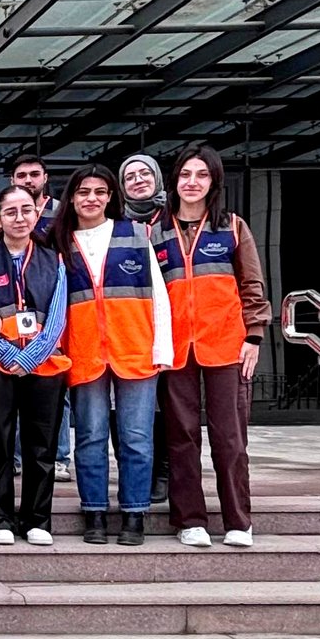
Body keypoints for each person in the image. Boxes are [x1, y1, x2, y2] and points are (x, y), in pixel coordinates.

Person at [154, 143, 269, 549]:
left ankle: (239, 520)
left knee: (230, 437)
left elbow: (252, 285)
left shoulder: (233, 227)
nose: (192, 182)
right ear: (175, 180)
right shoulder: (156, 231)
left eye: (201, 175)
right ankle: (190, 520)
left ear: (214, 181)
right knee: (181, 435)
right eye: (185, 174)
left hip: (226, 344)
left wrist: (254, 335)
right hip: (175, 349)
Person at [52, 165, 171, 547]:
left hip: (135, 348)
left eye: (100, 191)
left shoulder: (136, 235)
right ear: (71, 198)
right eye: (83, 191)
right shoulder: (60, 242)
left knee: (137, 437)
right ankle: (95, 513)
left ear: (110, 196)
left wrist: (162, 347)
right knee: (89, 436)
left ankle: (134, 514)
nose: (91, 198)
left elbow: (159, 297)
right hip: (84, 352)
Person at [0, 185, 70, 546]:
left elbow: (58, 316)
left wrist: (32, 356)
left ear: (37, 214)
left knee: (41, 445)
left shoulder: (53, 259)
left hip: (44, 364)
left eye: (26, 210)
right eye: (10, 211)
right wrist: (9, 355)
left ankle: (37, 519)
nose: (19, 218)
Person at [9, 155, 73, 479]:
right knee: (21, 382)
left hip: (55, 303)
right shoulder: (5, 210)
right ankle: (20, 456)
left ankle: (60, 455)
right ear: (12, 180)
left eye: (34, 174)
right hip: (19, 307)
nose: (28, 180)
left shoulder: (61, 211)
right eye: (22, 175)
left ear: (45, 177)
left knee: (55, 384)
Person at [120, 152, 172, 504]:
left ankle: (165, 473)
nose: (138, 180)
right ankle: (139, 475)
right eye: (130, 177)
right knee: (132, 412)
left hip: (174, 327)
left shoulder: (174, 219)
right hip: (132, 329)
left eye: (144, 174)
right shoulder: (119, 225)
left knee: (168, 406)